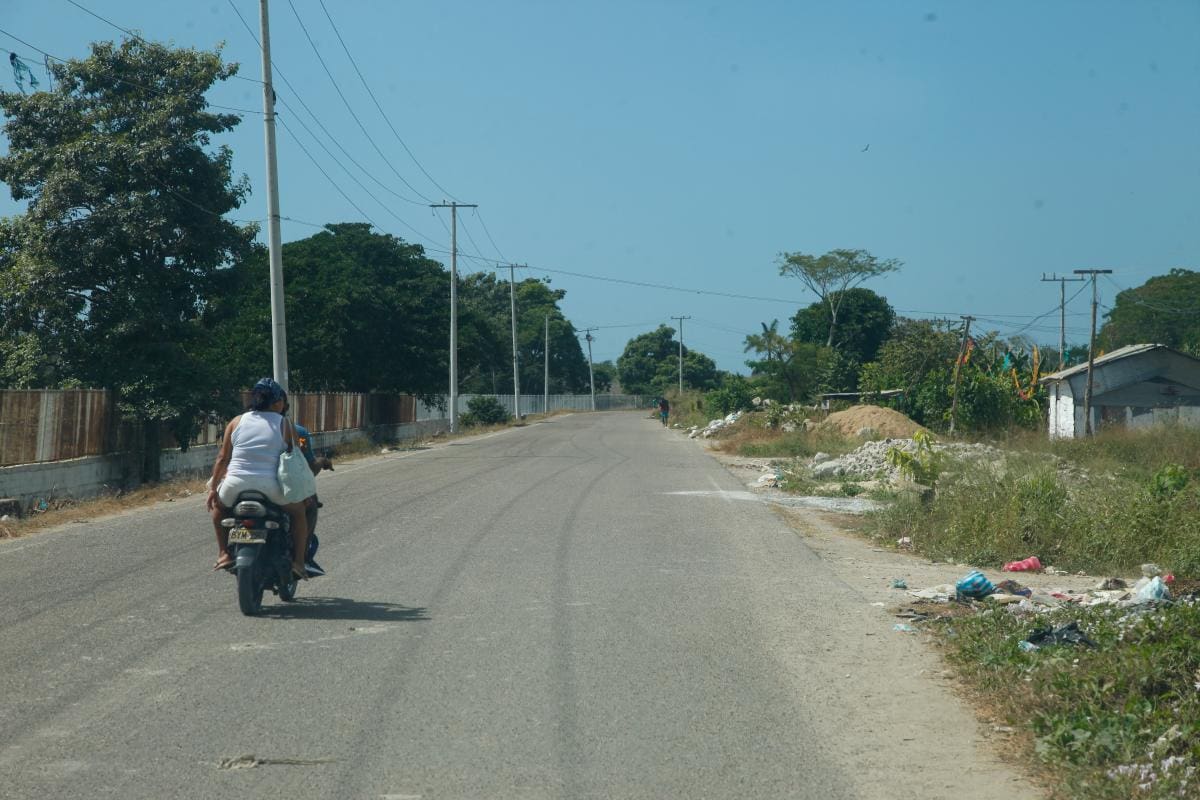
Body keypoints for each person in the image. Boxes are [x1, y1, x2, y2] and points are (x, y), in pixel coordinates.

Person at [206, 378, 312, 579]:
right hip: (272, 487)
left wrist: (213, 490)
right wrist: (303, 493)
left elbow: (222, 458)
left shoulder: (236, 421)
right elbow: (295, 461)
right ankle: (298, 563)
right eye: (281, 399)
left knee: (218, 510)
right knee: (299, 513)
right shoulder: (285, 424)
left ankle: (223, 554)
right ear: (276, 402)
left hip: (234, 484)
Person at [282, 397, 333, 576]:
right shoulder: (297, 432)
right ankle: (300, 559)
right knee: (309, 506)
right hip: (283, 489)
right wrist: (322, 461)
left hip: (246, 486)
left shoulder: (243, 426)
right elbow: (308, 468)